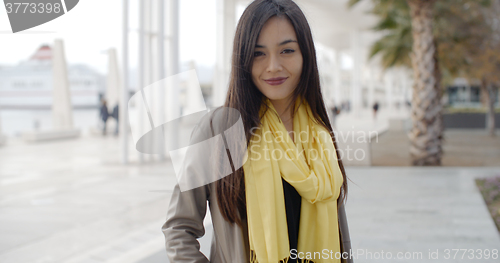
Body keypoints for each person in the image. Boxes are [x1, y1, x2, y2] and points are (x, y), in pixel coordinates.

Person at [162, 1, 352, 262]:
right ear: (243, 59)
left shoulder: (319, 132)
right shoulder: (220, 129)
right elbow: (179, 228)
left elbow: (340, 235)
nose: (273, 66)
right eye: (258, 53)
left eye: (287, 50)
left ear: (305, 55)